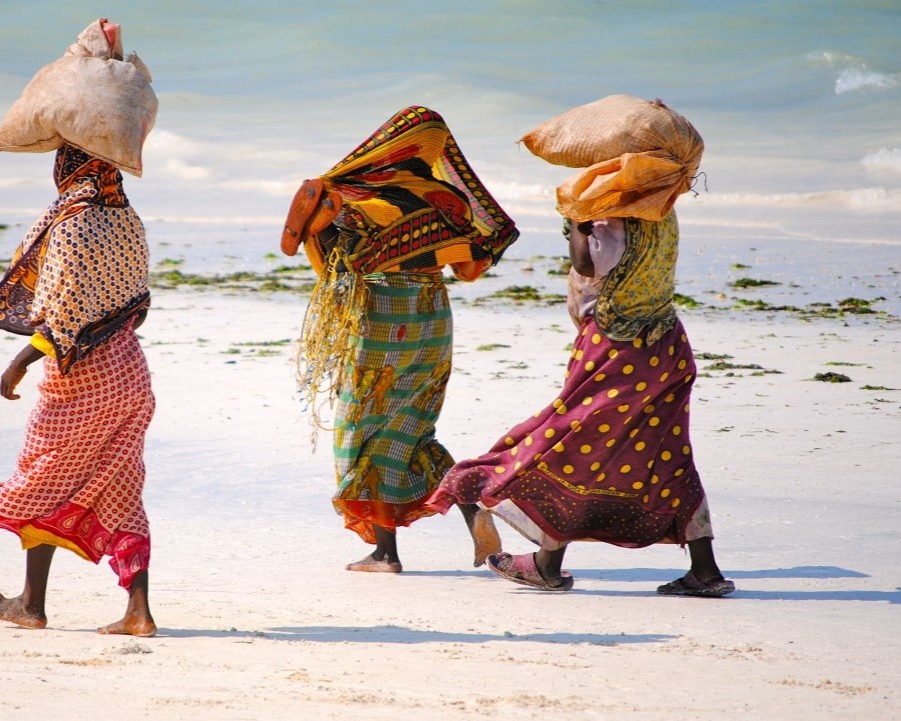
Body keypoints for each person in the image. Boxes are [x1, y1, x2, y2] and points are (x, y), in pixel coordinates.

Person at [426, 100, 735, 597]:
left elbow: (591, 269)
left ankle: (545, 563)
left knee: (563, 441)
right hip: (668, 345)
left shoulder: (612, 214)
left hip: (618, 348)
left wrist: (575, 225)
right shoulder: (662, 208)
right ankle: (704, 571)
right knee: (667, 456)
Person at [281, 106, 521, 573]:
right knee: (413, 428)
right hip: (432, 318)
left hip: (380, 322)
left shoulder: (352, 197)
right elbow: (470, 266)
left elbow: (310, 249)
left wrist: (324, 200)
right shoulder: (445, 200)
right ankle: (474, 510)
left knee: (364, 431)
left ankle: (385, 553)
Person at [0, 145, 159, 634]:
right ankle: (138, 612)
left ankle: (33, 604)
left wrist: (19, 363)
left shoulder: (71, 224)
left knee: (41, 480)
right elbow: (135, 301)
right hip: (130, 374)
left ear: (68, 169)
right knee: (123, 489)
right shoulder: (127, 218)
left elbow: (63, 318)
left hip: (81, 380)